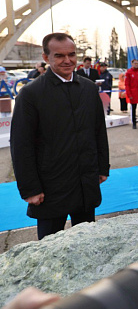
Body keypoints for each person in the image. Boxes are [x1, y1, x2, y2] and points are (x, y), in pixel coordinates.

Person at [10, 33, 110, 240]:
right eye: (59, 55)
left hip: (85, 183)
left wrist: (102, 167)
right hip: (50, 188)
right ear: (46, 58)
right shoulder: (30, 94)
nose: (67, 60)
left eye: (71, 54)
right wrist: (30, 189)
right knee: (49, 246)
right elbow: (21, 145)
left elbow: (99, 131)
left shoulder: (89, 89)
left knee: (87, 244)